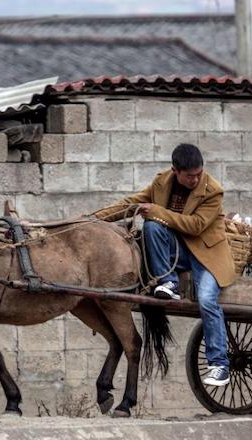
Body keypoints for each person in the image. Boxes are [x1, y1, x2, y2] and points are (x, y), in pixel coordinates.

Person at [94, 143, 236, 386]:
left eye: (198, 174)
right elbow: (131, 203)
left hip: (207, 254)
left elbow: (196, 226)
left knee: (206, 299)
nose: (195, 179)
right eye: (189, 175)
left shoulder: (212, 191)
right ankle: (168, 283)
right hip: (177, 253)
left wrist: (157, 211)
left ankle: (220, 364)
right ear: (175, 171)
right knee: (152, 227)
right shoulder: (162, 183)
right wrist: (93, 219)